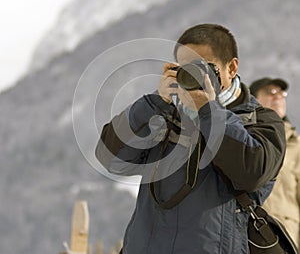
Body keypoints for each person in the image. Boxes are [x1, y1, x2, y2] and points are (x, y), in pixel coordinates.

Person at [96, 24, 286, 254]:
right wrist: (155, 102)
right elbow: (110, 158)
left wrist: (208, 111)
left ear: (232, 68)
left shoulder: (261, 121)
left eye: (204, 68)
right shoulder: (163, 114)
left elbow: (251, 173)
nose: (195, 75)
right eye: (186, 68)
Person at [250, 77, 300, 248]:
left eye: (281, 93)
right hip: (246, 236)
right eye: (270, 92)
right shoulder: (239, 139)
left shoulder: (297, 146)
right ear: (253, 99)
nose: (278, 96)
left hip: (286, 238)